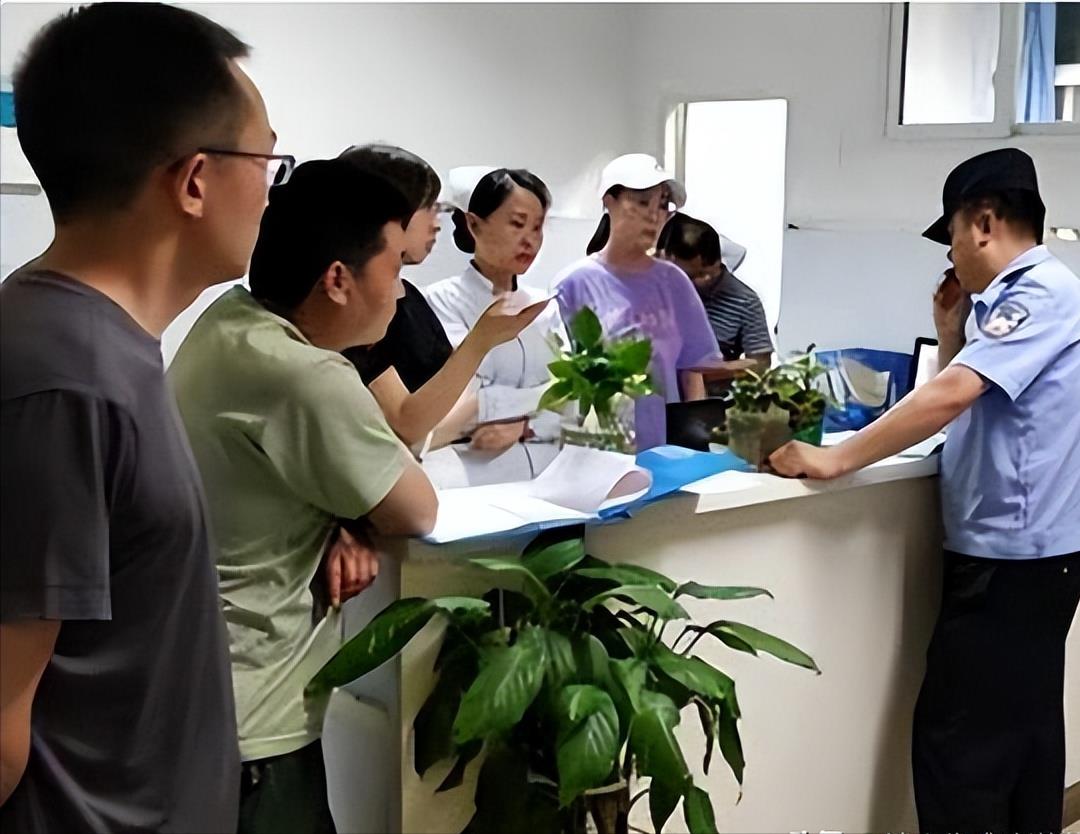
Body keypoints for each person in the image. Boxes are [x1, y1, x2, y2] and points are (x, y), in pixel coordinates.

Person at [0, 5, 275, 830]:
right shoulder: (64, 378)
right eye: (267, 159)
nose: (271, 188)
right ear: (194, 181)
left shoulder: (97, 345)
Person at [770, 148, 1080, 833]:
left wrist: (836, 458)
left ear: (984, 223)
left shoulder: (1036, 294)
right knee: (1021, 741)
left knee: (962, 752)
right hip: (1030, 563)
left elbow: (949, 397)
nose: (951, 258)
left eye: (953, 237)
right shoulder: (1031, 300)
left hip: (1009, 568)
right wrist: (949, 333)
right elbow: (980, 399)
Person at [168, 159, 439, 834]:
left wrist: (345, 520)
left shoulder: (230, 320)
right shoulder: (307, 375)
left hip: (192, 686)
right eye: (394, 269)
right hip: (257, 713)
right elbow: (415, 509)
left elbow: (290, 474)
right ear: (338, 279)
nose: (400, 293)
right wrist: (357, 514)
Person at [338, 145, 548, 450]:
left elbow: (451, 401)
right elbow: (410, 426)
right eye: (429, 208)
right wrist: (480, 344)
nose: (437, 223)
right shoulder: (359, 307)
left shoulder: (411, 298)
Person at [422, 166, 564, 485]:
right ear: (474, 224)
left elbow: (573, 397)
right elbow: (465, 402)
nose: (530, 239)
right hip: (474, 476)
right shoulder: (441, 301)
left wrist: (524, 425)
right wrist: (541, 398)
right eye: (517, 224)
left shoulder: (545, 305)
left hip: (549, 474)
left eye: (537, 227)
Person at [552, 154, 718, 402]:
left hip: (665, 425)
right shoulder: (573, 285)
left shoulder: (674, 283)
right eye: (642, 202)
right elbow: (561, 379)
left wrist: (693, 424)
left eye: (663, 205)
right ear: (609, 201)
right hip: (600, 425)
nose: (653, 216)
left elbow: (691, 371)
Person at [656, 212, 773, 392]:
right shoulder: (660, 289)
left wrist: (711, 370)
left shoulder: (745, 301)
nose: (688, 283)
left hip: (711, 401)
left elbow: (761, 364)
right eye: (683, 275)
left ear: (715, 263)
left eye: (698, 275)